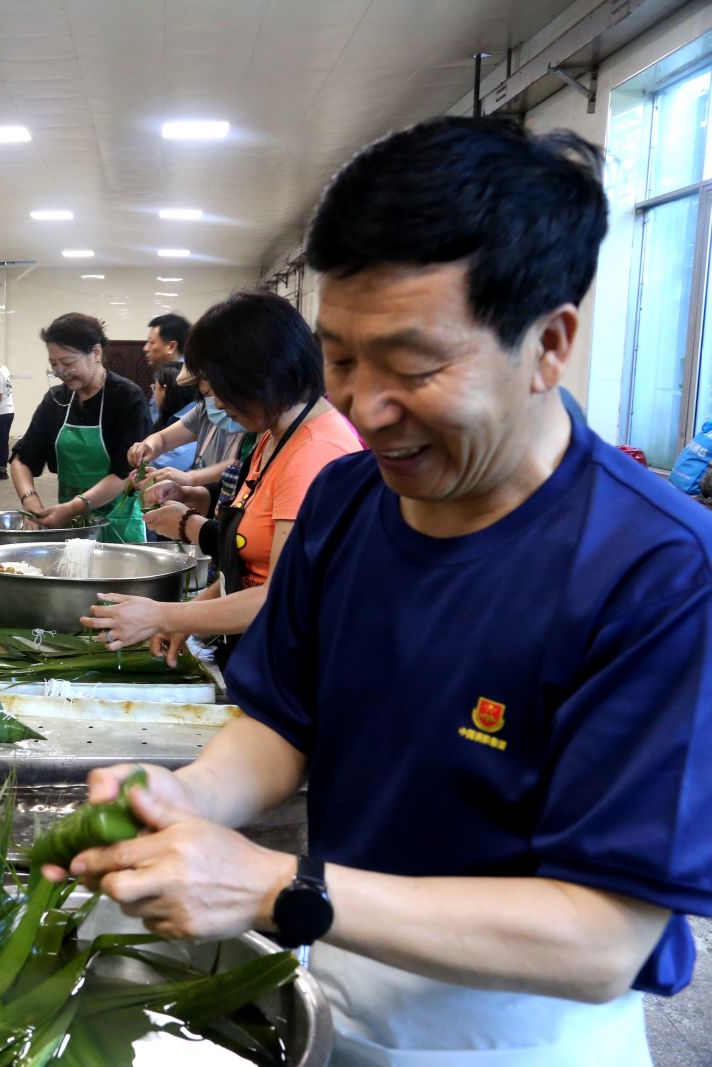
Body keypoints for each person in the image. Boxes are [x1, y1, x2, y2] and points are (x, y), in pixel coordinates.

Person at [67, 117, 712, 1065]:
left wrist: (277, 888)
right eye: (339, 359)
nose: (365, 409)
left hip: (514, 1034)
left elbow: (599, 937)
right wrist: (189, 795)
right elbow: (284, 723)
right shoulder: (347, 498)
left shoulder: (658, 570)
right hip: (328, 981)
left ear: (549, 345)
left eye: (414, 367)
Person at [84, 291, 361, 657]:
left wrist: (165, 615)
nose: (216, 404)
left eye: (219, 390)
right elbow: (250, 565)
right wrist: (192, 614)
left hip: (299, 665)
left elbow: (278, 597)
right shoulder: (273, 436)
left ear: (261, 373)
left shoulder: (315, 452)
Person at [8, 314, 150, 539]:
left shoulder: (127, 398)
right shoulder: (56, 399)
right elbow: (22, 458)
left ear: (95, 353)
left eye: (68, 363)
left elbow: (125, 473)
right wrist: (30, 499)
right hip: (73, 525)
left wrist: (75, 507)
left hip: (118, 525)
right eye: (54, 364)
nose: (60, 371)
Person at [129, 366, 252, 517]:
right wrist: (148, 446)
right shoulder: (204, 412)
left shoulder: (256, 427)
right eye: (206, 394)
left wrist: (190, 478)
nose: (218, 404)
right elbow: (162, 439)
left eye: (218, 392)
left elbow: (241, 465)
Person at [145, 313, 195, 420]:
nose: (146, 348)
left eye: (152, 342)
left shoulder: (183, 379)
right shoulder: (168, 374)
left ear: (171, 346)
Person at [149, 363, 197, 471]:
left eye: (154, 387)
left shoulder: (193, 417)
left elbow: (173, 462)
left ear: (164, 390)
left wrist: (144, 462)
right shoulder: (171, 417)